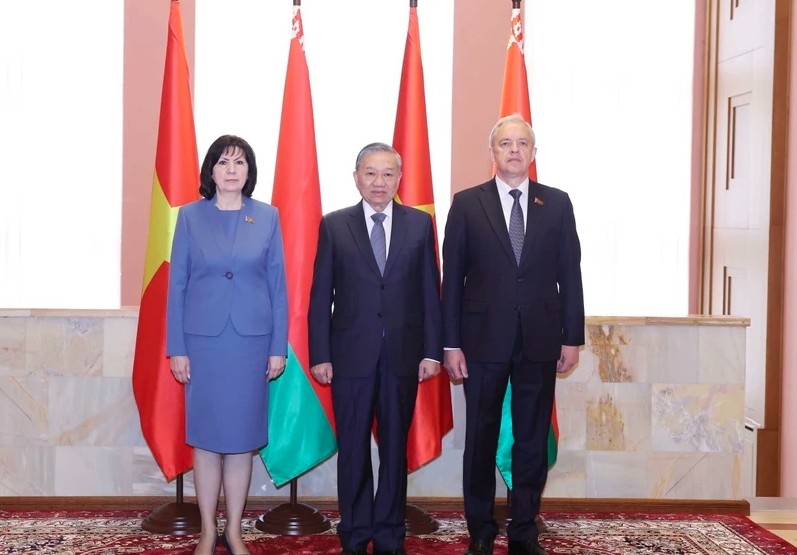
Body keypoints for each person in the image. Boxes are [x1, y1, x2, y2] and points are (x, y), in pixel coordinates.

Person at [441, 115, 584, 555]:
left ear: (534, 153)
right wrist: (450, 344)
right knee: (480, 438)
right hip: (482, 342)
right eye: (506, 143)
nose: (515, 150)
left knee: (531, 438)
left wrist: (571, 337)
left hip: (540, 342)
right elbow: (453, 279)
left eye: (523, 143)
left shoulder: (556, 203)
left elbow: (569, 274)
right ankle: (481, 528)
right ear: (493, 153)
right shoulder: (467, 204)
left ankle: (523, 528)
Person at [308, 142, 442, 555]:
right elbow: (320, 297)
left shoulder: (419, 225)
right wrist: (320, 354)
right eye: (371, 173)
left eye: (387, 173)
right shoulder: (334, 225)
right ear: (356, 178)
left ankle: (388, 535)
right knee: (352, 449)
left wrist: (432, 351)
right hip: (349, 357)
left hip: (403, 356)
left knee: (394, 451)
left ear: (399, 179)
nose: (379, 182)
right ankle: (354, 532)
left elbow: (429, 293)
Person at [166, 135, 288, 555]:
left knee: (240, 441)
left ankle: (234, 531)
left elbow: (278, 286)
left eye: (240, 162)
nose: (232, 169)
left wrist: (278, 347)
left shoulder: (268, 217)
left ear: (249, 171)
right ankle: (206, 531)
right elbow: (176, 285)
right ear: (211, 171)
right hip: (202, 346)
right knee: (206, 440)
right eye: (223, 162)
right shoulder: (189, 217)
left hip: (251, 345)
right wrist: (176, 347)